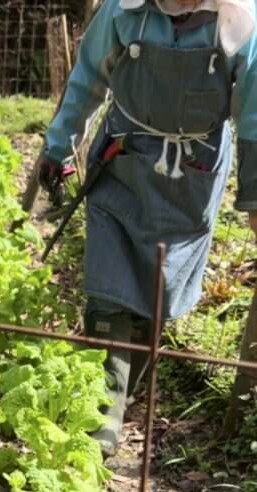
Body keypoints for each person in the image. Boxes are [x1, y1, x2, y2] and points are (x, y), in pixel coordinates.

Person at [38, 0, 257, 457]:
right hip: (123, 160)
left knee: (155, 293)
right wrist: (58, 147)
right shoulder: (124, 12)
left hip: (190, 178)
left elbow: (254, 117)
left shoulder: (241, 22)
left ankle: (122, 392)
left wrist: (254, 195)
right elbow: (86, 80)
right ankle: (106, 413)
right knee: (108, 286)